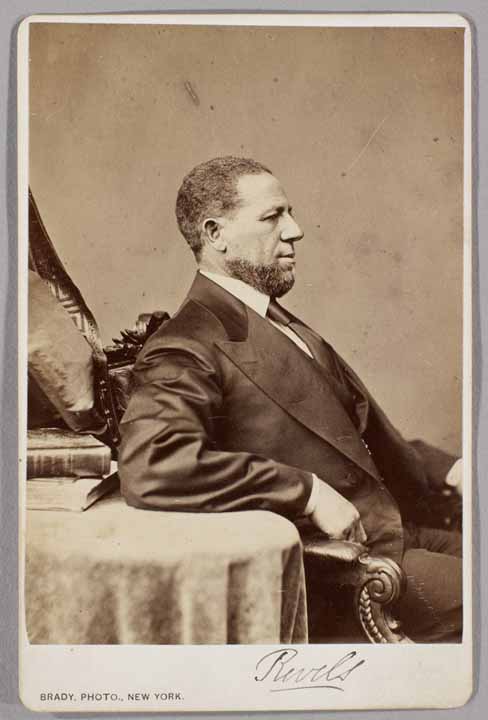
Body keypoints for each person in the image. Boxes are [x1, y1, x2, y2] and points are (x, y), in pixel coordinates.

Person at [118, 156, 463, 643]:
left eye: (290, 213)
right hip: (353, 569)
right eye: (272, 217)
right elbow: (156, 462)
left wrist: (453, 469)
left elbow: (351, 439)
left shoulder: (276, 321)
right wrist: (306, 491)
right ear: (215, 234)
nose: (295, 230)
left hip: (398, 529)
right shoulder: (188, 343)